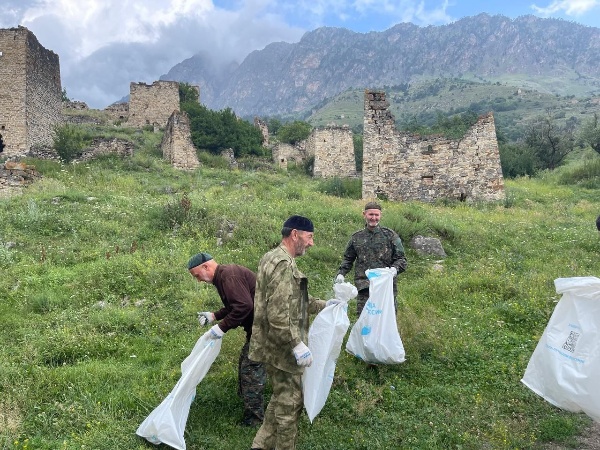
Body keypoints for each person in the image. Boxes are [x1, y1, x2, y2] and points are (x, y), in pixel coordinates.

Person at [249, 215, 339, 450]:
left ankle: (260, 445)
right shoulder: (283, 264)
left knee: (280, 397)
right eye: (309, 237)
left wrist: (324, 304)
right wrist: (296, 344)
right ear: (295, 234)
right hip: (283, 350)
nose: (311, 243)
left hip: (272, 345)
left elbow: (293, 302)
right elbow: (278, 315)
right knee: (290, 408)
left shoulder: (271, 257)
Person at [188, 252, 266, 427]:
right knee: (246, 363)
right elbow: (234, 305)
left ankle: (254, 420)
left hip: (266, 328)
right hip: (258, 328)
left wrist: (221, 328)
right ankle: (245, 401)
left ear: (206, 267)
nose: (198, 280)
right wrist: (214, 316)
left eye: (197, 275)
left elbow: (244, 306)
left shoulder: (228, 276)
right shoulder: (224, 276)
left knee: (251, 369)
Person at [336, 201, 407, 316]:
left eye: (376, 215)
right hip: (365, 287)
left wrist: (394, 269)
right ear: (364, 214)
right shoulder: (356, 238)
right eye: (371, 215)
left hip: (386, 288)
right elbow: (348, 259)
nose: (373, 218)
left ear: (380, 215)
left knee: (386, 321)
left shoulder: (390, 236)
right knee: (365, 323)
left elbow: (401, 259)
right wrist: (341, 274)